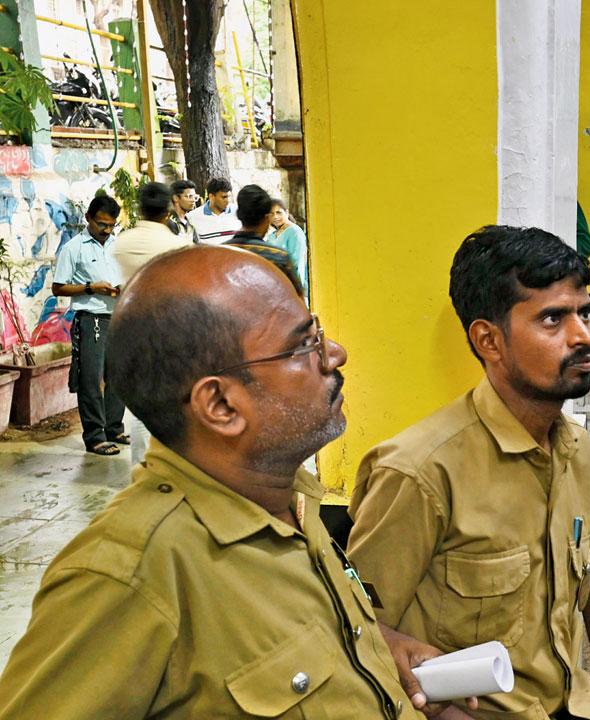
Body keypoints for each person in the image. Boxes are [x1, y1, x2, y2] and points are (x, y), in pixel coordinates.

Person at [0, 246, 458, 718]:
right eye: (304, 346)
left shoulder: (285, 499)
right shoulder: (130, 575)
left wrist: (377, 652)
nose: (335, 355)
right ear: (220, 406)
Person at [346, 226, 590, 720]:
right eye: (552, 319)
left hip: (573, 705)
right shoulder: (419, 473)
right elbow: (360, 633)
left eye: (583, 314)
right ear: (489, 340)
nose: (584, 336)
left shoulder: (576, 448)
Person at [110, 181, 189, 465]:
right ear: (168, 210)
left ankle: (141, 470)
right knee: (175, 404)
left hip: (131, 329)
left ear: (139, 208)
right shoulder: (177, 244)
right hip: (170, 331)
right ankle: (172, 466)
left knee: (141, 408)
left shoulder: (123, 242)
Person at [50, 195, 125, 456]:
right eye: (102, 224)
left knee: (118, 376)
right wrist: (92, 288)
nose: (106, 230)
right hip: (91, 318)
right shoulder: (74, 248)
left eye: (111, 225)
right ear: (88, 219)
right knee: (92, 379)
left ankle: (114, 427)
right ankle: (95, 436)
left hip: (118, 316)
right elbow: (57, 287)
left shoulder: (117, 245)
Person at [224, 184, 305, 295]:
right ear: (267, 219)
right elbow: (296, 299)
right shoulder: (279, 258)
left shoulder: (221, 253)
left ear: (239, 215)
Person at [113, 181, 188, 282]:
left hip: (129, 297)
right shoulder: (182, 247)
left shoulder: (119, 242)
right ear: (168, 212)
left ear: (140, 210)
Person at [265, 198, 309, 297]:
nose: (275, 217)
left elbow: (296, 262)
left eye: (279, 212)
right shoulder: (272, 235)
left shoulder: (295, 232)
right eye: (271, 214)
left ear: (287, 212)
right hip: (275, 286)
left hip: (291, 287)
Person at [188, 177, 238, 244]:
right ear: (211, 196)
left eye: (229, 196)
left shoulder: (238, 212)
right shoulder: (192, 217)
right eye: (224, 197)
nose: (228, 201)